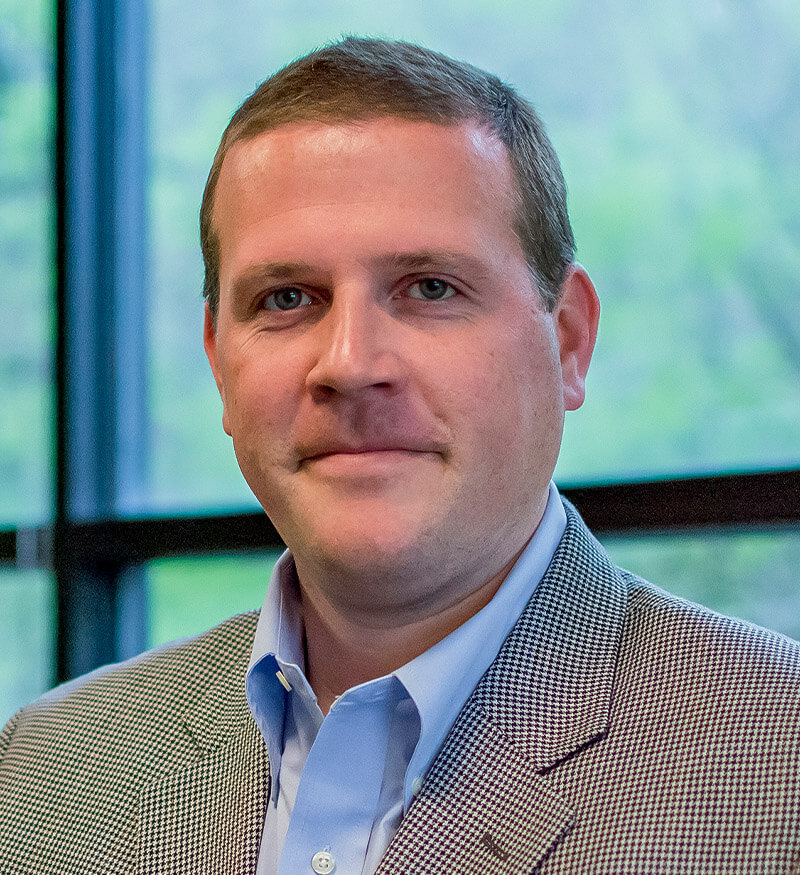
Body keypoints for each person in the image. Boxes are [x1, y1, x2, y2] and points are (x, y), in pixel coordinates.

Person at [1, 36, 798, 875]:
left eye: (429, 288)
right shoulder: (43, 772)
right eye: (287, 298)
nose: (349, 363)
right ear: (219, 364)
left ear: (567, 341)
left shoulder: (776, 766)